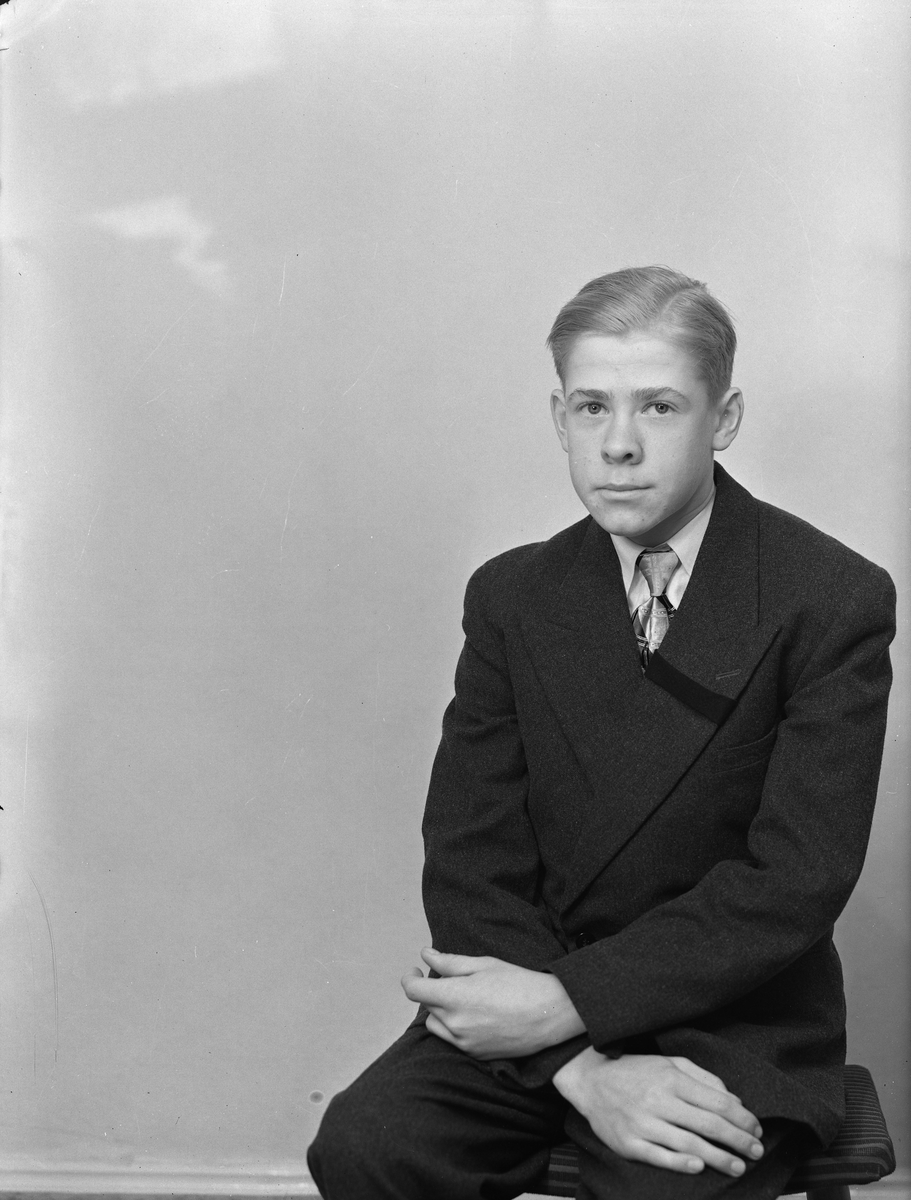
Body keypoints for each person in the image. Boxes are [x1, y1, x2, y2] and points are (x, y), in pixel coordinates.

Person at [307, 266, 895, 1199]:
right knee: (367, 1145)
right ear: (559, 419)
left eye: (658, 407)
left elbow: (794, 879)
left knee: (670, 1181)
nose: (618, 445)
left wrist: (572, 1003)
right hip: (530, 990)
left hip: (729, 1015)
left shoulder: (828, 598)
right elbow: (469, 855)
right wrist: (572, 1056)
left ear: (724, 419)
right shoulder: (511, 596)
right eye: (591, 408)